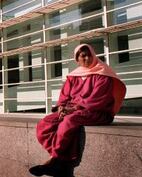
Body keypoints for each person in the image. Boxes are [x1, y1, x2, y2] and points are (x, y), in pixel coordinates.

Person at [29, 44, 126, 177]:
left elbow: (97, 99)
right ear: (77, 59)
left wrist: (72, 109)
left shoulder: (103, 74)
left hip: (97, 112)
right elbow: (64, 96)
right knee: (45, 123)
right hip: (73, 111)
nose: (87, 58)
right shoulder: (73, 76)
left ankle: (55, 160)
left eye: (89, 55)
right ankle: (62, 162)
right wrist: (62, 107)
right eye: (83, 56)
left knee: (69, 120)